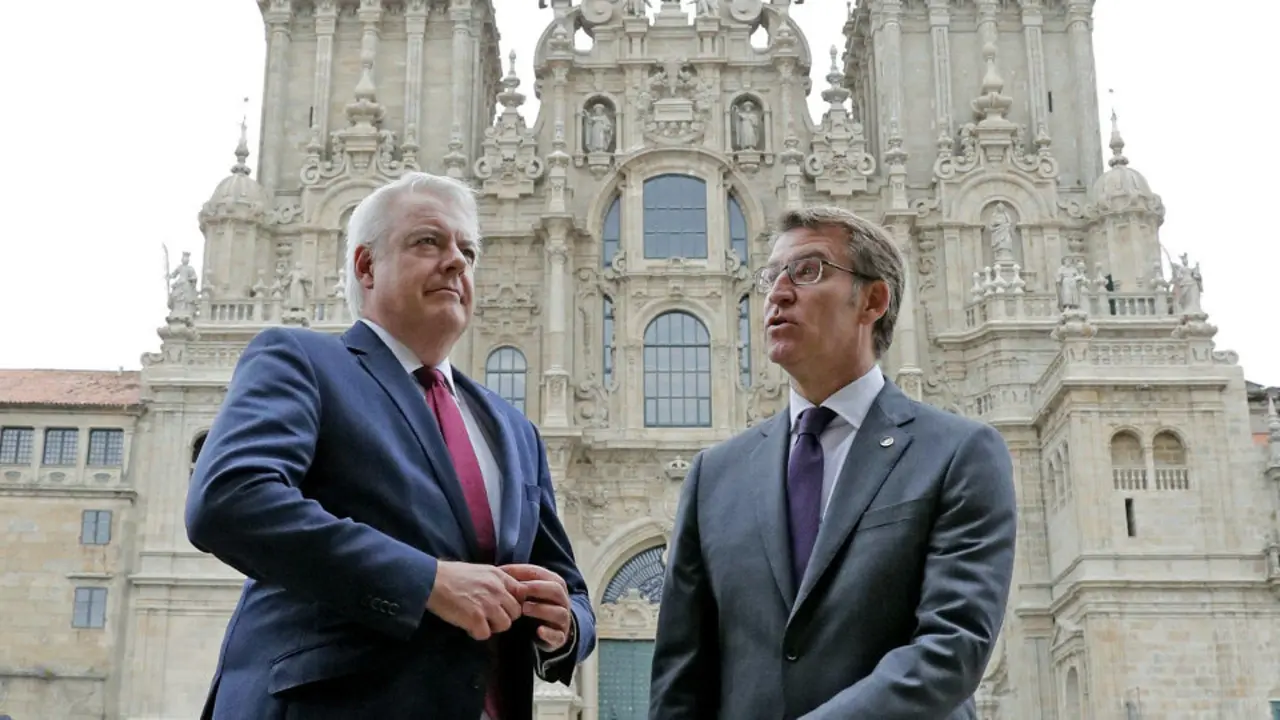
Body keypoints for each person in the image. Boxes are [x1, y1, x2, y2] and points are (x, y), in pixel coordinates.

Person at [186, 172, 595, 719]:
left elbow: (568, 585)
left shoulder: (513, 428)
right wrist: (425, 581)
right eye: (429, 242)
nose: (456, 262)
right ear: (366, 266)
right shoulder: (301, 361)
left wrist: (566, 624)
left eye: (467, 251)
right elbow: (230, 499)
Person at [649, 206, 1016, 719]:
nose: (777, 292)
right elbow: (680, 681)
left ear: (873, 299)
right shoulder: (715, 476)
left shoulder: (958, 454)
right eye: (771, 275)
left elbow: (953, 647)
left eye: (808, 271)